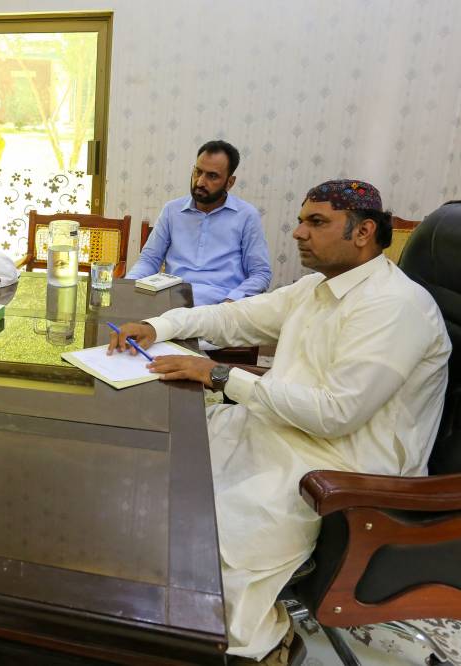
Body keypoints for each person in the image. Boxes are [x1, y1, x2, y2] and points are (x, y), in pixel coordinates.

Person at [109, 180, 450, 663]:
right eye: (301, 219)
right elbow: (237, 318)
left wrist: (221, 375)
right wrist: (161, 327)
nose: (297, 233)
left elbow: (337, 413)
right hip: (279, 431)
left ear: (363, 231)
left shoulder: (396, 307)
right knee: (160, 475)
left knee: (202, 545)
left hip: (340, 470)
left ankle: (258, 644)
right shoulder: (317, 288)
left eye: (316, 222)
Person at [126, 140, 272, 306]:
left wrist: (232, 301)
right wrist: (127, 286)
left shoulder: (247, 216)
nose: (201, 182)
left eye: (212, 176)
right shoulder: (172, 210)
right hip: (174, 304)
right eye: (198, 172)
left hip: (221, 307)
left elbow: (260, 274)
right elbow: (149, 260)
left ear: (230, 182)